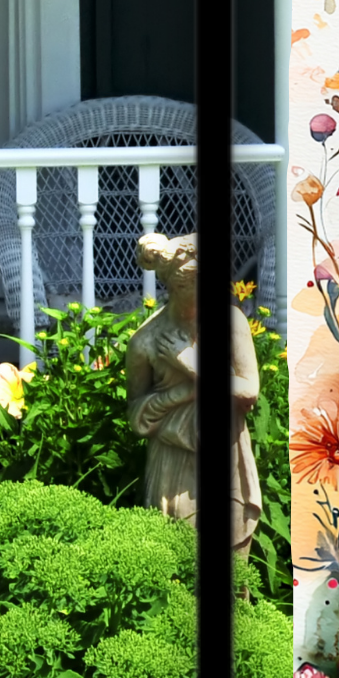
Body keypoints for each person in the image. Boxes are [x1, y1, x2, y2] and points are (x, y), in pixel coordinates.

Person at [124, 231, 262, 555]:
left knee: (232, 572)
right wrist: (183, 394)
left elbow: (250, 390)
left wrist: (192, 364)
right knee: (179, 566)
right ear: (176, 286)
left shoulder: (232, 323)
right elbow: (136, 417)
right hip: (172, 464)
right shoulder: (144, 343)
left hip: (227, 451)